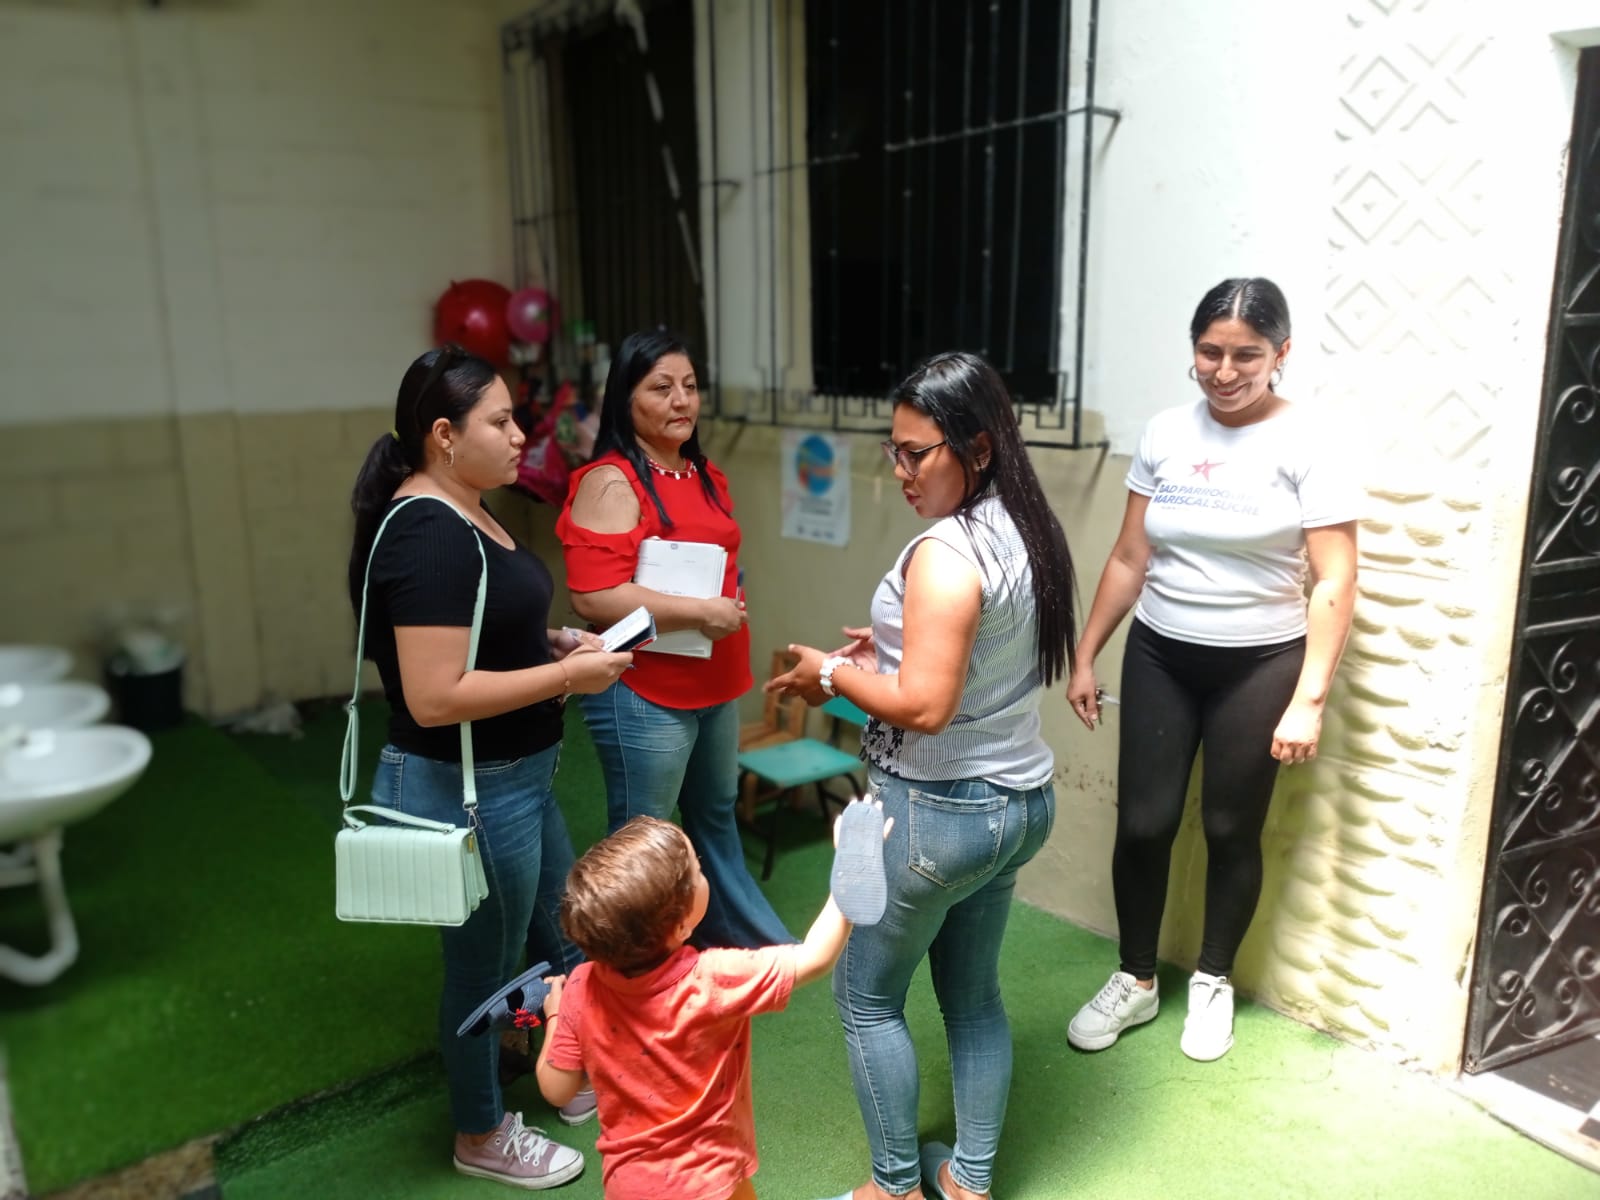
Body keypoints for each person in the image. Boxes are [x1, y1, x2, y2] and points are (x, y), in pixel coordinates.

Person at [768, 351, 1078, 1200]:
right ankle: (969, 1183)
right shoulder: (1024, 523)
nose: (899, 470)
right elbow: (980, 655)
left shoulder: (946, 552)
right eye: (893, 450)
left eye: (916, 453)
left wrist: (832, 673)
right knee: (972, 997)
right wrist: (890, 652)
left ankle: (893, 1189)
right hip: (1019, 803)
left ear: (977, 447)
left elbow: (927, 707)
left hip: (941, 812)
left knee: (866, 998)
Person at [346, 344, 633, 1189]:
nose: (520, 437)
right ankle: (481, 1132)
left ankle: (565, 1073)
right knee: (485, 972)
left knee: (561, 936)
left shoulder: (465, 508)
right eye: (501, 422)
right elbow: (435, 695)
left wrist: (550, 643)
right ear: (444, 434)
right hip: (470, 790)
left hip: (518, 778)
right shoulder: (429, 532)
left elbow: (481, 631)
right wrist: (569, 678)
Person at [1063, 277, 1359, 1064]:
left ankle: (1213, 978)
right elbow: (1131, 555)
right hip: (1161, 650)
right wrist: (1087, 653)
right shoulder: (1166, 431)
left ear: (1281, 354)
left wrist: (1309, 699)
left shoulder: (1310, 442)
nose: (1225, 372)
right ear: (1193, 350)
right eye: (1209, 352)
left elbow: (1334, 579)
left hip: (1260, 664)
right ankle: (1135, 978)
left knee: (1230, 828)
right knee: (1144, 822)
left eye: (1246, 356)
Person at [555, 329, 793, 948]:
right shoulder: (609, 481)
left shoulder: (704, 473)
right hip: (644, 688)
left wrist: (721, 605)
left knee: (715, 818)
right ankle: (636, 966)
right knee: (644, 839)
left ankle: (740, 950)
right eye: (661, 388)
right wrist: (700, 612)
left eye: (689, 386)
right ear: (625, 398)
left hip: (715, 679)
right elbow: (593, 595)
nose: (681, 400)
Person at [534, 805, 888, 1200]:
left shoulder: (581, 988)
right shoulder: (712, 979)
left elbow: (557, 1089)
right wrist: (851, 870)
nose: (702, 870)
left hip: (629, 1186)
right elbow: (816, 957)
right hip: (711, 1182)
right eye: (697, 871)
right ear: (681, 925)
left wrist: (555, 1015)